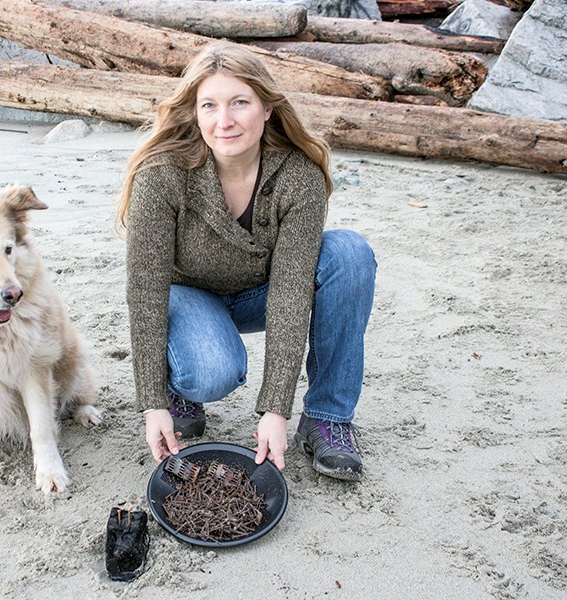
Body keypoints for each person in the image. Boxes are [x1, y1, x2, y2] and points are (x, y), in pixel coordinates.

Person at [117, 42, 376, 481]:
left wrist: (275, 409)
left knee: (348, 253)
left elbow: (291, 293)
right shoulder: (161, 174)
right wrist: (153, 401)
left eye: (240, 102)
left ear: (267, 107)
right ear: (194, 112)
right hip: (189, 296)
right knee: (213, 372)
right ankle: (181, 390)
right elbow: (146, 290)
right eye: (210, 105)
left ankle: (327, 418)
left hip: (263, 291)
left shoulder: (299, 175)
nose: (225, 121)